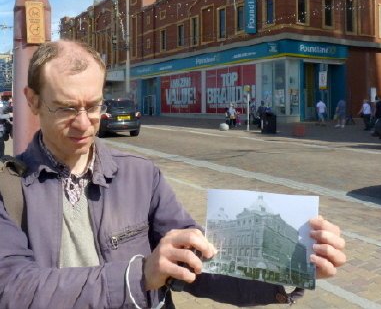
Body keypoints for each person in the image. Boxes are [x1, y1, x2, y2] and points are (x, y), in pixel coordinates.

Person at [0, 40, 346, 308]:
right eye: (65, 107)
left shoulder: (141, 176)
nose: (83, 122)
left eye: (93, 106)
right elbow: (13, 289)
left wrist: (288, 272)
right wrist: (140, 275)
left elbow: (197, 265)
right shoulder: (7, 187)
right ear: (31, 101)